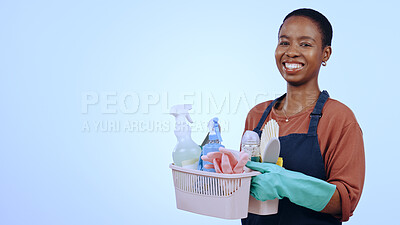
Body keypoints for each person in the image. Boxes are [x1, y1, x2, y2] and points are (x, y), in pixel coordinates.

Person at [241, 8, 365, 225]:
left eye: (305, 44)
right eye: (284, 42)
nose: (291, 52)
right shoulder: (257, 115)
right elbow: (242, 188)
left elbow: (345, 202)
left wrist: (286, 183)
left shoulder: (338, 118)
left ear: (325, 54)